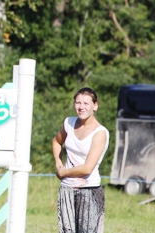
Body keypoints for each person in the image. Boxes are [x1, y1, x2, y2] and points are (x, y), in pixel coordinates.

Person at [52, 87, 109, 233]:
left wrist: (63, 173)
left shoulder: (100, 133)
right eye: (78, 103)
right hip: (66, 189)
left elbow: (87, 168)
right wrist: (58, 164)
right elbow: (57, 141)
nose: (81, 107)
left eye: (86, 103)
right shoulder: (68, 123)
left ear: (95, 106)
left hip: (89, 190)